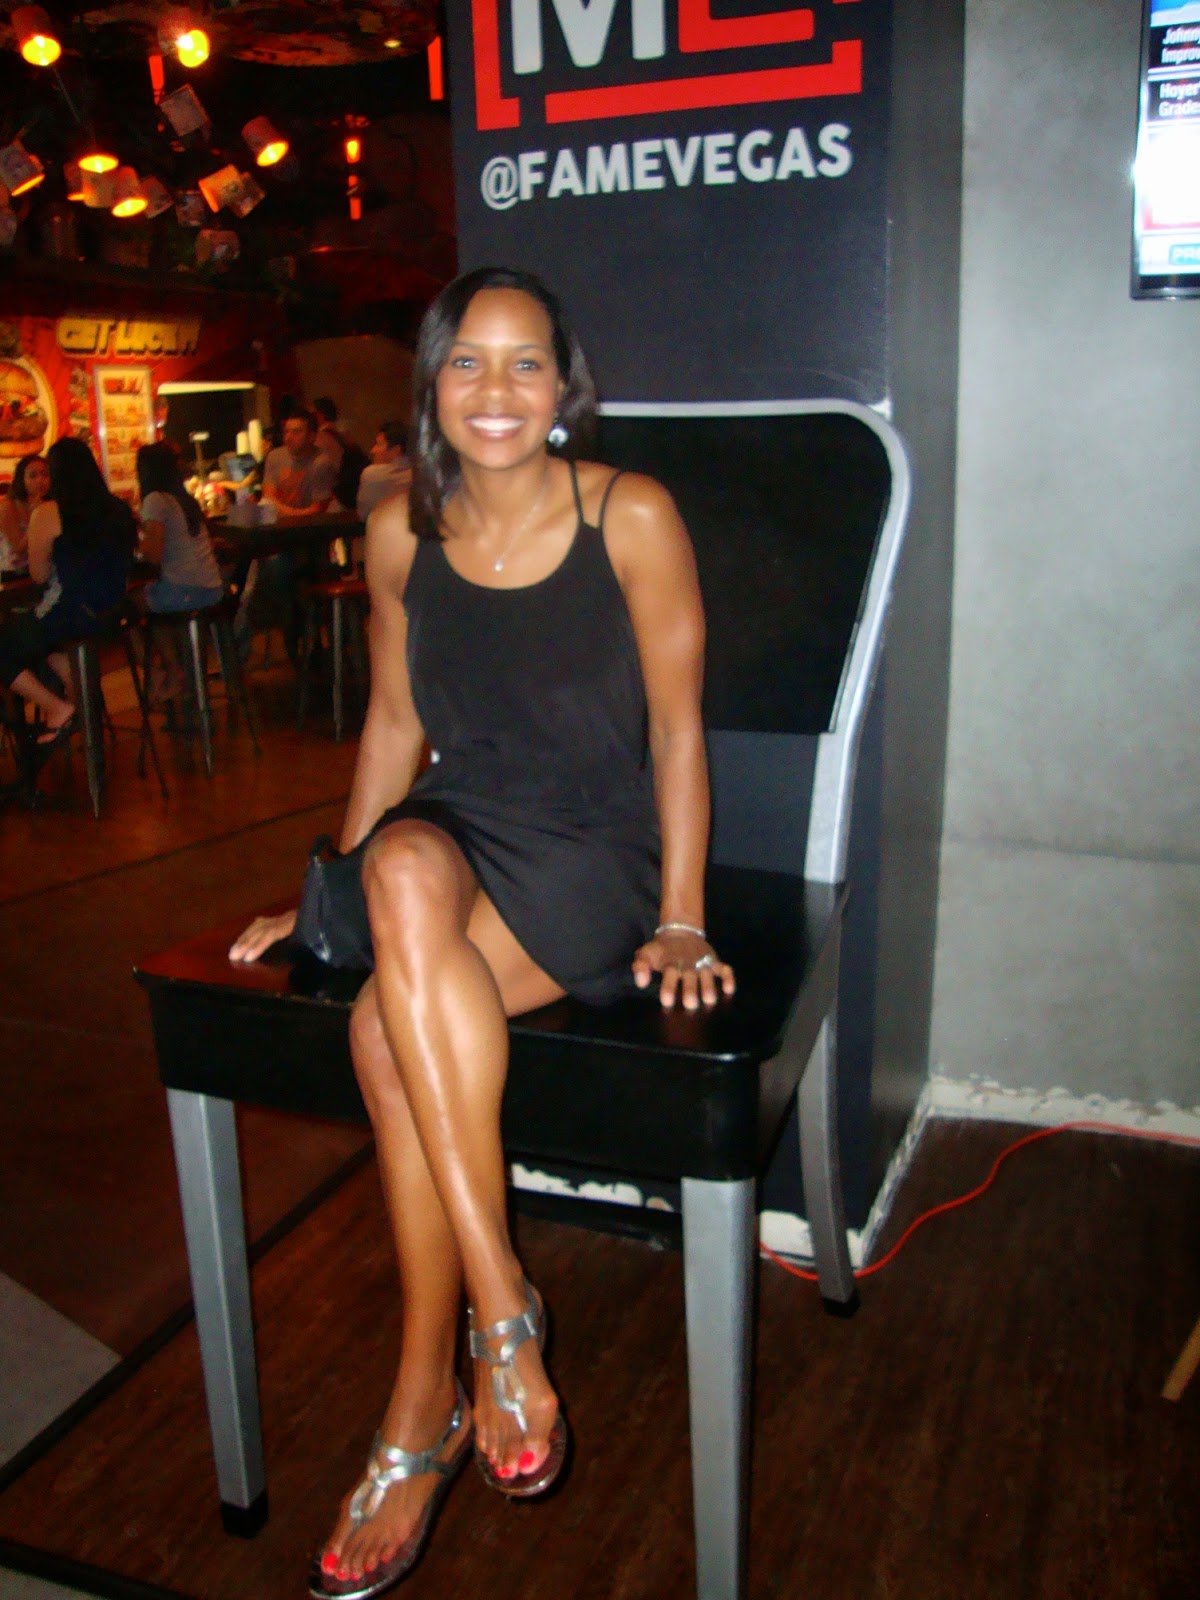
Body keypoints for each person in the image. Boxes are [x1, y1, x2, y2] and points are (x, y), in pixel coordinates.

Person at [229, 267, 735, 1600]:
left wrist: (684, 913)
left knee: (382, 1041)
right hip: (453, 833)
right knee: (398, 870)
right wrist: (327, 888)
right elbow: (397, 722)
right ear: (432, 386)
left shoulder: (630, 514)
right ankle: (503, 1309)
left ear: (563, 387)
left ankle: (422, 1399)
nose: (496, 390)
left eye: (525, 364)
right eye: (468, 362)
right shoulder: (399, 530)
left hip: (591, 850)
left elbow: (679, 728)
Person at [0, 436, 135, 745]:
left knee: (10, 643)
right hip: (113, 615)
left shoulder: (50, 512)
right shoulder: (118, 509)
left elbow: (38, 574)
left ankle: (58, 708)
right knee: (48, 646)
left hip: (71, 614)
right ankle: (80, 704)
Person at [136, 443, 224, 613]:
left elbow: (154, 557)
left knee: (126, 605)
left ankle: (165, 632)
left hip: (184, 592)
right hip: (213, 589)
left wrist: (138, 549)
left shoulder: (156, 500)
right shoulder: (185, 500)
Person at [261, 411, 336, 519]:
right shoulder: (275, 456)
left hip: (308, 525)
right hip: (278, 522)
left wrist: (285, 514)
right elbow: (268, 497)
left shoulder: (321, 463)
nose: (288, 437)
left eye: (296, 432)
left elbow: (318, 510)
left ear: (311, 436)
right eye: (286, 432)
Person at [0, 452, 50, 576]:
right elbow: (18, 547)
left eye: (45, 474)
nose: (40, 480)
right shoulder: (9, 506)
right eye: (33, 476)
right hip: (15, 572)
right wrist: (37, 517)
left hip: (44, 568)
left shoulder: (50, 504)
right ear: (22, 479)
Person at [356, 421, 412, 520]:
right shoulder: (422, 473)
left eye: (378, 445)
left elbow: (363, 514)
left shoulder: (372, 474)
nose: (373, 450)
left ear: (396, 450)